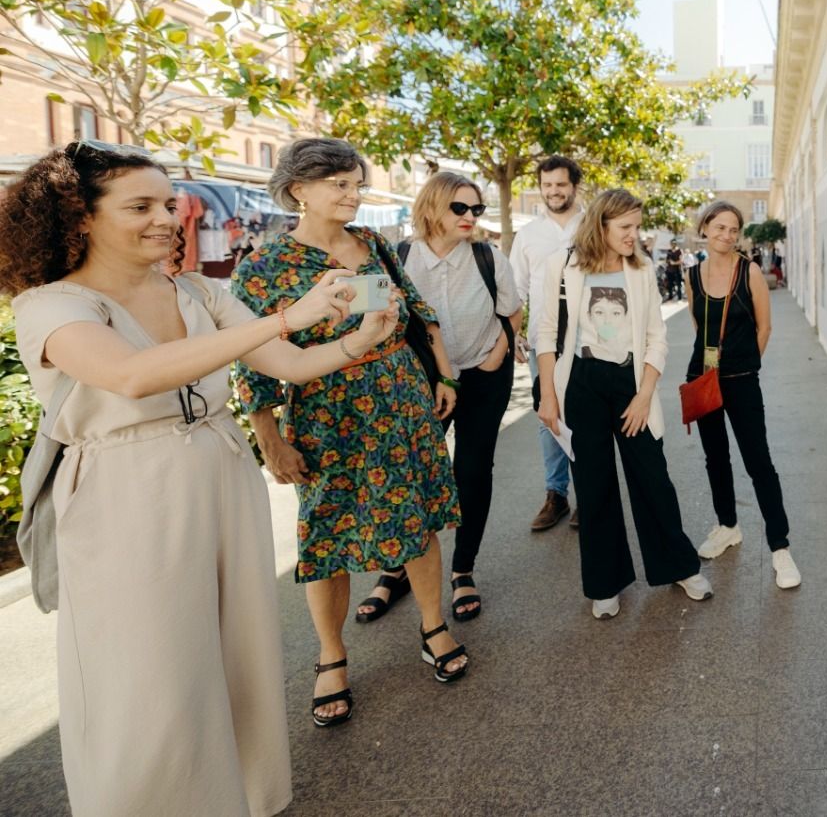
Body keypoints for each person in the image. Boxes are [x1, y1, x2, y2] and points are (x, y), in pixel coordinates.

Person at [1, 141, 398, 816]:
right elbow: (130, 375)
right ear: (81, 216)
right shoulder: (49, 305)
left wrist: (358, 339)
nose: (165, 218)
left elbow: (288, 365)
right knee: (149, 673)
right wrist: (287, 317)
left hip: (220, 472)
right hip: (127, 491)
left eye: (167, 203)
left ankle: (240, 798)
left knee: (237, 651)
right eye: (140, 207)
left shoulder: (198, 291)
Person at [232, 137, 469, 730]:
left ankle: (433, 626)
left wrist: (443, 375)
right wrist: (269, 437)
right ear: (298, 190)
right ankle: (331, 656)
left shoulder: (373, 244)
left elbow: (417, 310)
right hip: (325, 414)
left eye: (356, 184)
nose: (353, 194)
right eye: (338, 184)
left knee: (415, 516)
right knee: (328, 535)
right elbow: (251, 361)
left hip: (401, 400)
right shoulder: (263, 268)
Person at [535, 188, 711, 618]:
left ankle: (679, 566)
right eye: (626, 227)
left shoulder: (642, 268)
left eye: (637, 226)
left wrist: (644, 395)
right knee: (593, 487)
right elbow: (546, 333)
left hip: (632, 382)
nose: (635, 234)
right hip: (581, 382)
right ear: (602, 225)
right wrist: (548, 396)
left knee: (653, 479)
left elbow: (656, 337)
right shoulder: (562, 265)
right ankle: (606, 583)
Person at [400, 172, 522, 621]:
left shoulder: (489, 257)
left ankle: (462, 569)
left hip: (484, 374)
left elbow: (513, 311)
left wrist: (497, 355)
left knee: (471, 470)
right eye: (460, 208)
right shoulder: (400, 258)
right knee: (412, 473)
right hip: (424, 382)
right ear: (432, 207)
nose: (470, 216)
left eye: (477, 208)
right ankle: (398, 567)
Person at [687, 201, 800, 589]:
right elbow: (697, 324)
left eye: (734, 229)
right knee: (715, 458)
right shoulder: (692, 275)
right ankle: (727, 526)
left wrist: (745, 366)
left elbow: (764, 328)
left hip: (741, 380)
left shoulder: (748, 271)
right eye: (720, 227)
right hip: (703, 379)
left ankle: (780, 547)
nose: (727, 235)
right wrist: (711, 370)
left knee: (758, 461)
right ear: (705, 228)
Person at [510, 154, 583, 532]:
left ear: (574, 186)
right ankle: (556, 494)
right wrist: (514, 333)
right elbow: (515, 289)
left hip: (589, 340)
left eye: (560, 184)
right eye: (547, 185)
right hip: (544, 341)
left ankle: (589, 494)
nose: (553, 191)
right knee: (547, 416)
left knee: (587, 416)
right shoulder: (528, 235)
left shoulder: (593, 226)